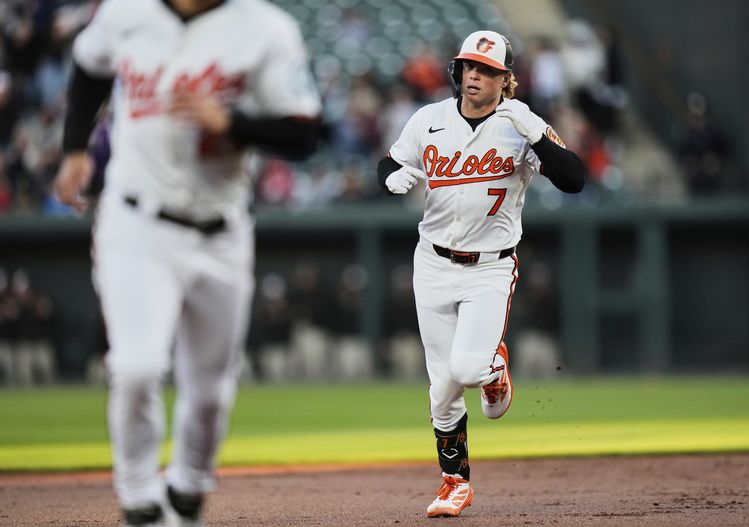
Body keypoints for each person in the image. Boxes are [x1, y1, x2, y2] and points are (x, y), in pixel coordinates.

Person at [53, 0, 321, 525]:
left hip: (221, 231)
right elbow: (89, 65)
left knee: (211, 392)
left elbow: (305, 133)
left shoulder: (266, 29)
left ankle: (187, 491)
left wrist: (233, 122)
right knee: (135, 367)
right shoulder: (126, 11)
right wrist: (74, 148)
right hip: (135, 222)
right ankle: (138, 500)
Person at [377, 30, 585, 518]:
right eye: (469, 66)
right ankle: (455, 482)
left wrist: (536, 132)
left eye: (487, 70)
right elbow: (390, 160)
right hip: (431, 261)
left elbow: (574, 180)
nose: (474, 75)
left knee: (467, 370)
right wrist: (388, 175)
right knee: (442, 384)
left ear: (506, 78)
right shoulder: (429, 119)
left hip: (490, 267)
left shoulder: (519, 124)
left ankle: (493, 369)